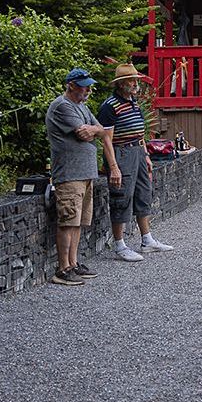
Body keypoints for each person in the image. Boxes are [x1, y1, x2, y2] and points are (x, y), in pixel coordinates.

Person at [44, 68, 121, 286]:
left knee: (78, 222)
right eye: (84, 85)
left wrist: (94, 130)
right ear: (71, 86)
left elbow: (101, 131)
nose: (88, 89)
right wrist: (93, 130)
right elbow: (83, 132)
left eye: (88, 85)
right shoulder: (62, 107)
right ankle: (63, 268)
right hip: (70, 173)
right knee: (68, 221)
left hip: (85, 173)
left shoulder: (82, 107)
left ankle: (74, 263)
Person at [97, 63, 175, 262]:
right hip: (121, 153)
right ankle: (119, 245)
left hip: (138, 151)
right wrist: (113, 166)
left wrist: (146, 155)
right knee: (121, 196)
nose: (135, 84)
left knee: (143, 193)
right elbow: (106, 139)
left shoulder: (133, 102)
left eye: (136, 80)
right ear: (121, 83)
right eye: (131, 80)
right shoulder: (109, 106)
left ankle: (147, 240)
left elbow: (140, 132)